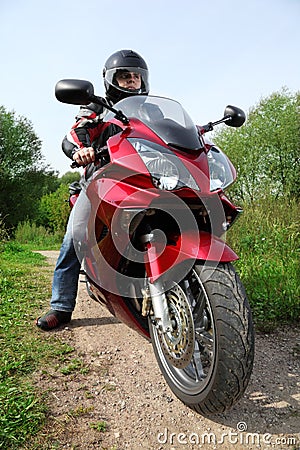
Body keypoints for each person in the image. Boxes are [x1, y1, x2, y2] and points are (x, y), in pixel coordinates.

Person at [36, 49, 150, 331]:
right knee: (75, 236)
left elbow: (175, 131)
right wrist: (81, 149)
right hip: (103, 181)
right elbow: (75, 133)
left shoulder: (152, 111)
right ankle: (61, 306)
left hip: (149, 180)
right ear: (112, 80)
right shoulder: (99, 107)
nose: (132, 81)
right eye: (125, 77)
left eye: (136, 77)